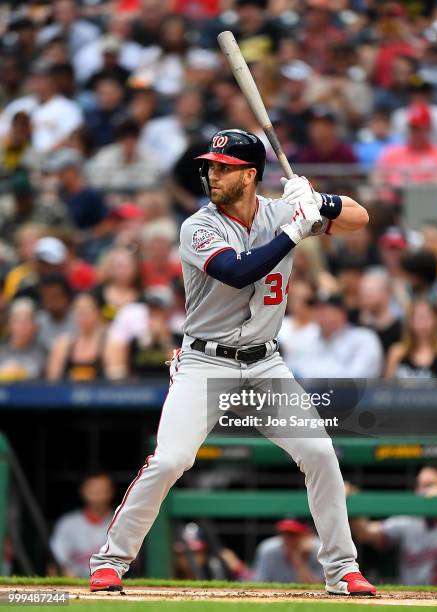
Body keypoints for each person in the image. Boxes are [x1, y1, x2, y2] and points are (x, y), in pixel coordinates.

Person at [89, 128, 376, 596]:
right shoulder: (198, 225)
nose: (212, 174)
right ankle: (110, 562)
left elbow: (359, 218)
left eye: (223, 167)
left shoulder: (283, 210)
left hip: (265, 364)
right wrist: (295, 229)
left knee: (321, 454)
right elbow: (238, 269)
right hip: (206, 361)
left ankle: (343, 569)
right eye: (210, 166)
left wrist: (319, 202)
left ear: (250, 175)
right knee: (170, 461)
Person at [350, 465, 437, 586]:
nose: (422, 492)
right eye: (419, 486)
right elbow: (365, 532)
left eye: (429, 486)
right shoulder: (408, 522)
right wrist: (350, 495)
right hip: (412, 599)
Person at [50, 472, 115, 578]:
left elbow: (133, 564)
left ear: (111, 492)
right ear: (82, 491)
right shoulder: (67, 523)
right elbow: (57, 563)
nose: (98, 496)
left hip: (112, 584)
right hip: (75, 584)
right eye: (93, 491)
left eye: (103, 491)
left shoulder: (121, 523)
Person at [385, 300, 437, 379]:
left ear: (436, 320)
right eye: (419, 317)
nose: (423, 323)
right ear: (410, 322)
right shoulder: (396, 353)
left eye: (427, 317)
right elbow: (387, 388)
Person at [47, 292, 107, 382]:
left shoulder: (108, 342)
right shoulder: (63, 344)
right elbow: (52, 381)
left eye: (87, 310)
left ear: (97, 312)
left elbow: (116, 382)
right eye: (79, 310)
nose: (82, 314)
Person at [252, 518, 322, 583]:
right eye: (284, 534)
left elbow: (318, 587)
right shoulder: (268, 550)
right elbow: (260, 582)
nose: (288, 539)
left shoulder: (320, 549)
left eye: (293, 534)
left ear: (306, 534)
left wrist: (299, 560)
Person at [0, 297, 46, 381]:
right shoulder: (1, 350)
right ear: (9, 325)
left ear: (35, 326)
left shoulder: (43, 352)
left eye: (27, 320)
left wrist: (20, 373)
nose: (23, 325)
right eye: (18, 321)